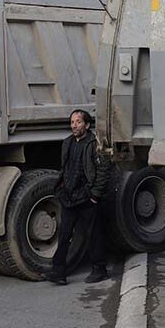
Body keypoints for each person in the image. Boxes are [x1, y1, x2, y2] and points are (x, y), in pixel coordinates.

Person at [44, 109, 110, 285]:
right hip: (69, 196)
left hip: (87, 197)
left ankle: (100, 269)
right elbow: (65, 168)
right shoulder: (67, 143)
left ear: (87, 125)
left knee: (93, 234)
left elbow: (104, 170)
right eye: (72, 122)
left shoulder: (95, 144)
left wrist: (95, 195)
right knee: (64, 234)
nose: (74, 125)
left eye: (78, 122)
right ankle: (58, 272)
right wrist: (61, 188)